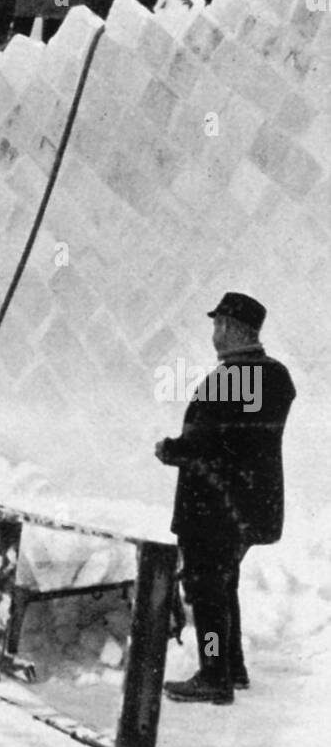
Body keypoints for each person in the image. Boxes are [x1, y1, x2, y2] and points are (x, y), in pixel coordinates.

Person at [155, 292, 295, 704]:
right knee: (222, 584)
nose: (214, 334)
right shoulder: (276, 376)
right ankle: (231, 666)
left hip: (212, 508)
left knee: (206, 590)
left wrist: (171, 450)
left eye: (218, 325)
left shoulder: (231, 378)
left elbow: (213, 445)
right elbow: (244, 440)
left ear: (234, 329)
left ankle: (215, 673)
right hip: (251, 507)